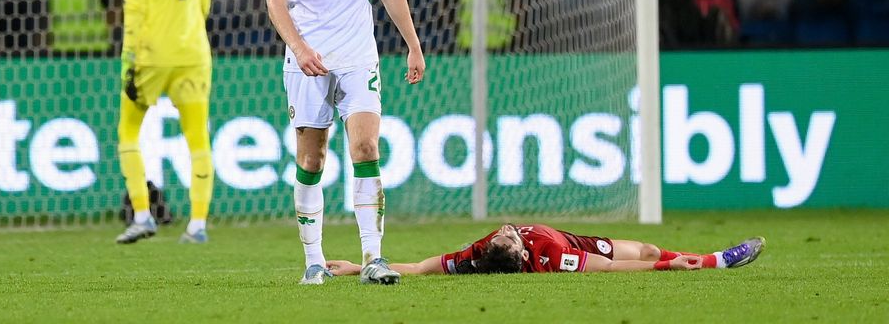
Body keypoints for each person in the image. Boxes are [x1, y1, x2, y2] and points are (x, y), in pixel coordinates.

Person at [261, 0, 425, 285]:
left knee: (366, 149)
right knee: (311, 160)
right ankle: (314, 261)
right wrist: (298, 47)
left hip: (357, 56)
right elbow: (276, 2)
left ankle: (373, 257)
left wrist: (413, 45)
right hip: (308, 62)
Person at [116, 0, 215, 245]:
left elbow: (134, 4)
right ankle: (198, 224)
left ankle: (142, 214)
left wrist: (129, 55)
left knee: (128, 133)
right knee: (197, 139)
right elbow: (204, 1)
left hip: (150, 54)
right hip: (193, 51)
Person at [327, 223, 766, 275]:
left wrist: (354, 268)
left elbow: (421, 268)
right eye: (509, 236)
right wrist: (660, 270)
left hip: (576, 237)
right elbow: (606, 269)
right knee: (649, 255)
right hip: (582, 246)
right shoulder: (551, 258)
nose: (504, 228)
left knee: (651, 245)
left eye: (502, 232)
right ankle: (716, 261)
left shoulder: (478, 254)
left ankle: (694, 259)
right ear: (520, 253)